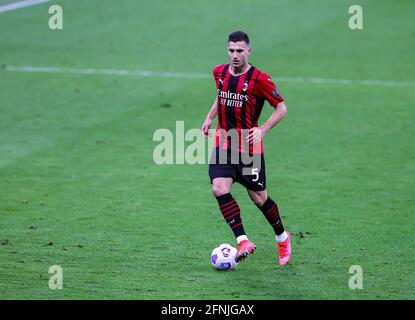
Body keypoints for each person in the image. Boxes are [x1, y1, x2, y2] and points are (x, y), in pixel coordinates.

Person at [201, 31, 292, 265]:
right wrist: (210, 117)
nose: (234, 55)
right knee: (219, 188)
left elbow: (281, 107)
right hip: (224, 144)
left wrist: (263, 128)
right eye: (231, 50)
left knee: (260, 198)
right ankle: (243, 240)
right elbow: (221, 96)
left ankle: (282, 236)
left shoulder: (260, 79)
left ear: (248, 51)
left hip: (249, 150)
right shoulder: (219, 72)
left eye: (239, 51)